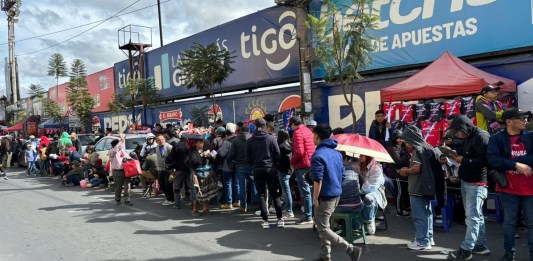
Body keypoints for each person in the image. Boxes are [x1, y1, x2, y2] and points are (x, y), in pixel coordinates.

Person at [310, 124, 362, 261]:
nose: (312, 138)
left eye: (312, 135)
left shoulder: (318, 155)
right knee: (325, 226)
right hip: (336, 194)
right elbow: (342, 175)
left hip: (325, 196)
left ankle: (350, 248)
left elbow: (317, 179)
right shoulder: (337, 154)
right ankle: (325, 256)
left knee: (322, 228)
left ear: (317, 136)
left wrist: (315, 198)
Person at [487, 108, 533, 261]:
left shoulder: (530, 136)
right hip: (508, 188)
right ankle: (509, 254)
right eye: (520, 118)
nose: (524, 120)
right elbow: (493, 160)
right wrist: (516, 166)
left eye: (525, 117)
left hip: (530, 188)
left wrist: (510, 163)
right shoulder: (496, 139)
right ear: (509, 121)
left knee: (531, 223)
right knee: (509, 223)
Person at [445, 115, 491, 260]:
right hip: (467, 181)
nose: (458, 135)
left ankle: (466, 249)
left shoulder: (482, 137)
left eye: (458, 132)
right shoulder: (469, 136)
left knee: (472, 217)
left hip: (476, 183)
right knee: (476, 217)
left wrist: (464, 160)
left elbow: (486, 161)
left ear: (464, 127)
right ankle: (480, 245)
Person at [399, 125, 445, 251]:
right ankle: (428, 238)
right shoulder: (427, 147)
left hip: (418, 187)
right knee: (427, 214)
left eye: (407, 140)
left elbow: (416, 168)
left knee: (419, 215)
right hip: (426, 187)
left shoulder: (417, 150)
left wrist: (406, 171)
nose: (406, 144)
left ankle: (422, 241)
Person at [246, 118, 283, 229]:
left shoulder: (250, 140)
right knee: (274, 194)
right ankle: (280, 219)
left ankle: (265, 220)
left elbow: (248, 158)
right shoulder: (271, 138)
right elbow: (277, 154)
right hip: (270, 169)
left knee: (261, 195)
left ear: (255, 126)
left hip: (257, 169)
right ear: (265, 125)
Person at [289, 116, 316, 225]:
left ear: (293, 124)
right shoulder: (307, 131)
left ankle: (308, 216)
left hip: (302, 164)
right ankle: (313, 215)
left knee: (305, 192)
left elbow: (299, 151)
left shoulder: (297, 133)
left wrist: (292, 161)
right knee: (312, 190)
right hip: (311, 162)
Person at [188, 131, 217, 215]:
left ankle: (205, 208)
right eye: (200, 142)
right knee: (196, 192)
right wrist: (201, 155)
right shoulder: (192, 151)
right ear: (195, 143)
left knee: (205, 191)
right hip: (196, 174)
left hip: (205, 173)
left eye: (202, 142)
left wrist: (209, 156)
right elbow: (194, 161)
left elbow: (211, 160)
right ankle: (194, 209)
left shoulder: (203, 150)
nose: (202, 143)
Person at [229, 125, 257, 213]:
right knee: (254, 185)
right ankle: (256, 204)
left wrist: (231, 163)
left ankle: (243, 206)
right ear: (249, 131)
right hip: (252, 165)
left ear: (240, 131)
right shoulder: (253, 139)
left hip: (240, 165)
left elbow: (231, 154)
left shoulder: (236, 140)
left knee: (242, 186)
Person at [358, 154, 386, 235]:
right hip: (361, 189)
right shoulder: (360, 165)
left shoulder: (376, 169)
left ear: (367, 156)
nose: (359, 157)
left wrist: (356, 192)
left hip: (375, 191)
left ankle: (369, 221)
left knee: (368, 198)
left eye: (361, 155)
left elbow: (369, 187)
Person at [386, 130, 411, 216]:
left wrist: (405, 153)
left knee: (404, 191)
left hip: (404, 173)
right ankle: (399, 210)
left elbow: (408, 158)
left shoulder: (402, 147)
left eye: (401, 138)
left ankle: (406, 208)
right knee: (399, 192)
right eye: (398, 138)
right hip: (396, 173)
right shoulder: (392, 148)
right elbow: (398, 162)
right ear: (394, 139)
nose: (400, 140)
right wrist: (404, 155)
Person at [218, 123, 238, 209]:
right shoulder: (238, 139)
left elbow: (222, 154)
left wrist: (218, 151)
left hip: (227, 166)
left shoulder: (227, 142)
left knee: (228, 183)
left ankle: (229, 203)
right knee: (237, 184)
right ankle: (238, 201)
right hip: (237, 165)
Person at [109, 134, 132, 206]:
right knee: (118, 186)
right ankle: (118, 198)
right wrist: (121, 140)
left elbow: (128, 157)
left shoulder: (122, 150)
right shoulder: (111, 152)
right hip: (117, 171)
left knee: (127, 185)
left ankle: (127, 199)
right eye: (119, 144)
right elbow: (116, 149)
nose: (121, 145)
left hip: (125, 170)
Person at [277, 129, 294, 218]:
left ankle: (289, 210)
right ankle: (288, 209)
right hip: (290, 169)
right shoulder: (290, 145)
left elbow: (277, 158)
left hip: (282, 170)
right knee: (287, 191)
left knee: (286, 191)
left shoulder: (280, 146)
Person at [155, 135, 174, 206]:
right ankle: (167, 197)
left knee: (168, 184)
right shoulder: (157, 147)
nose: (161, 141)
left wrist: (172, 168)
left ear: (164, 139)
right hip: (160, 168)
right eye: (159, 140)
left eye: (162, 139)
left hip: (168, 168)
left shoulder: (169, 147)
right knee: (161, 183)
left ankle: (171, 199)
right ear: (156, 141)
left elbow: (174, 157)